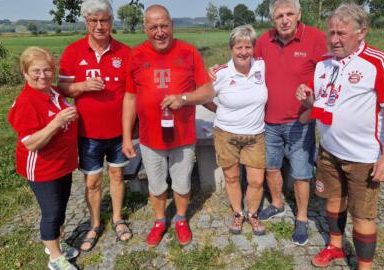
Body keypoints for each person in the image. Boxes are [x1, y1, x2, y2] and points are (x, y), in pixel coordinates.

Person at [209, 0, 327, 245]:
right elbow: (244, 62)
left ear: (298, 15)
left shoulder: (314, 37)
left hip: (299, 121)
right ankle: (277, 204)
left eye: (289, 14)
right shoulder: (264, 41)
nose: (284, 19)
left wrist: (313, 103)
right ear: (272, 19)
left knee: (302, 172)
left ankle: (303, 218)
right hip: (269, 123)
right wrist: (218, 69)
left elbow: (326, 74)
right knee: (271, 169)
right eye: (279, 15)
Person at [296, 4, 384, 269]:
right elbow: (323, 102)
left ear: (362, 32)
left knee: (363, 214)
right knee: (332, 200)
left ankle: (364, 266)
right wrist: (309, 100)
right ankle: (335, 246)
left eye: (341, 33)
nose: (334, 39)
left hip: (363, 156)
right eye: (331, 32)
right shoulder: (323, 62)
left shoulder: (379, 62)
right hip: (329, 149)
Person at [122, 5, 214, 248]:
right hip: (150, 137)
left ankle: (181, 219)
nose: (159, 32)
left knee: (182, 183)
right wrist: (125, 137)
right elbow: (130, 98)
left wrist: (184, 98)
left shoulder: (188, 52)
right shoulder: (136, 55)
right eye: (153, 27)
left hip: (182, 136)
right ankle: (160, 220)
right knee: (157, 184)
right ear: (145, 29)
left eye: (164, 25)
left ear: (172, 25)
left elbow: (207, 90)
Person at [57, 0, 132, 251]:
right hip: (88, 132)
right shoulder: (73, 51)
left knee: (117, 174)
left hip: (119, 131)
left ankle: (118, 218)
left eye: (105, 20)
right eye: (94, 21)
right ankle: (95, 224)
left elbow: (133, 93)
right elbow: (62, 88)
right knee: (92, 182)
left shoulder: (124, 52)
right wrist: (82, 87)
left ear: (112, 21)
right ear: (86, 22)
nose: (100, 26)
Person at [8, 47, 79, 270]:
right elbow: (30, 143)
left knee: (61, 207)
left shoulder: (55, 92)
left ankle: (54, 244)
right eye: (36, 71)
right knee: (51, 212)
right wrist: (56, 123)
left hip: (63, 163)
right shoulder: (26, 102)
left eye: (47, 70)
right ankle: (55, 258)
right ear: (25, 73)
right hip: (42, 168)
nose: (43, 76)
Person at [203, 25, 267, 236]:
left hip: (255, 135)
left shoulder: (262, 66)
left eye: (248, 46)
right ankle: (238, 213)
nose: (243, 52)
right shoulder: (220, 73)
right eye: (238, 47)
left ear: (253, 48)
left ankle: (253, 214)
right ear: (231, 48)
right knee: (231, 177)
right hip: (226, 135)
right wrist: (218, 109)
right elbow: (203, 96)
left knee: (256, 180)